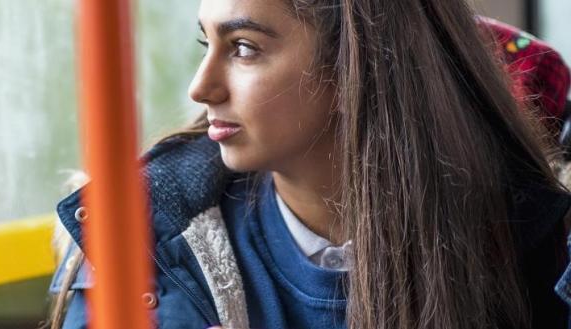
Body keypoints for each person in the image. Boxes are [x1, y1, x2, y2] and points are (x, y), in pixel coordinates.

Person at [44, 0, 571, 328]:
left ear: (355, 70)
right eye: (207, 42)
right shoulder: (138, 237)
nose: (200, 87)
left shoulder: (537, 249)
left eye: (244, 48)